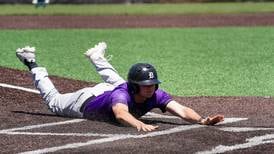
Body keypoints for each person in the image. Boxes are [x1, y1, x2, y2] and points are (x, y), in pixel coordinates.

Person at [16, 42, 224, 132]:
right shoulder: (123, 94)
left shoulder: (153, 93)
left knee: (120, 84)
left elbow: (181, 110)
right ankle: (31, 61)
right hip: (83, 102)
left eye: (152, 84)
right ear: (136, 86)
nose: (150, 88)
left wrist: (202, 120)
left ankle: (97, 57)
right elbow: (121, 114)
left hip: (109, 90)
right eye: (146, 85)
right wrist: (138, 124)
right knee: (53, 101)